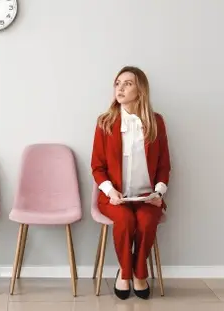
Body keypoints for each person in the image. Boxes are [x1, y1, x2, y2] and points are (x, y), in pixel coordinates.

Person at [90, 66, 171, 300]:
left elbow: (164, 164)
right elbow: (97, 166)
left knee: (146, 222)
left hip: (147, 197)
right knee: (125, 221)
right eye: (117, 83)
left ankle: (138, 271)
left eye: (127, 83)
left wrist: (159, 192)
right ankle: (128, 273)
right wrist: (110, 191)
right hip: (116, 197)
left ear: (141, 90)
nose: (120, 88)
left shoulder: (156, 122)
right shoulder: (105, 122)